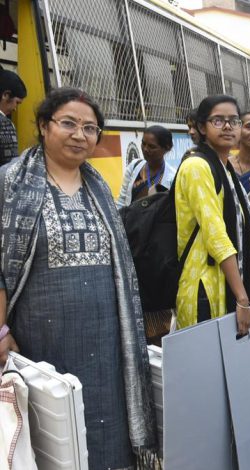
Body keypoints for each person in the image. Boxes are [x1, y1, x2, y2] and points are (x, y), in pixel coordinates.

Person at [0, 87, 157, 468]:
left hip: (107, 341)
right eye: (68, 123)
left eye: (90, 128)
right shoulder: (10, 184)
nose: (79, 134)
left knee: (105, 432)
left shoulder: (99, 187)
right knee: (51, 439)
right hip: (39, 344)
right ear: (42, 125)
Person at [175, 95, 250, 333]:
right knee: (204, 367)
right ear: (202, 127)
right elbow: (216, 236)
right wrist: (243, 297)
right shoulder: (197, 167)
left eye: (234, 121)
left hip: (223, 285)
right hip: (204, 289)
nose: (227, 126)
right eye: (218, 120)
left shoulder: (224, 168)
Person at [117, 125, 176, 208]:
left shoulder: (172, 178)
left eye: (152, 146)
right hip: (128, 220)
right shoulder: (134, 166)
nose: (145, 149)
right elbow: (121, 201)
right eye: (143, 144)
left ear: (166, 148)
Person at [0, 70, 26, 166]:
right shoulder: (5, 124)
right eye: (17, 102)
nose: (15, 109)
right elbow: (10, 168)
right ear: (5, 95)